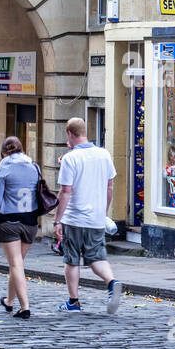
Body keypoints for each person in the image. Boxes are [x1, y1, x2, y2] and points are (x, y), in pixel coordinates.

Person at [53, 116, 122, 314]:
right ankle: (111, 282)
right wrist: (104, 210)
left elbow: (65, 191)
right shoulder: (104, 154)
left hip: (74, 218)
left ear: (69, 134)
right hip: (96, 218)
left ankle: (73, 301)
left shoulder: (70, 158)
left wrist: (58, 219)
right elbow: (109, 187)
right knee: (97, 257)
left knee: (71, 259)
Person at [0, 136, 40, 319]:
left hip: (9, 222)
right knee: (18, 264)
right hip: (30, 222)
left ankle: (25, 307)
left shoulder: (3, 170)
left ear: (4, 153)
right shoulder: (34, 167)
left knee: (15, 264)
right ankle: (10, 301)